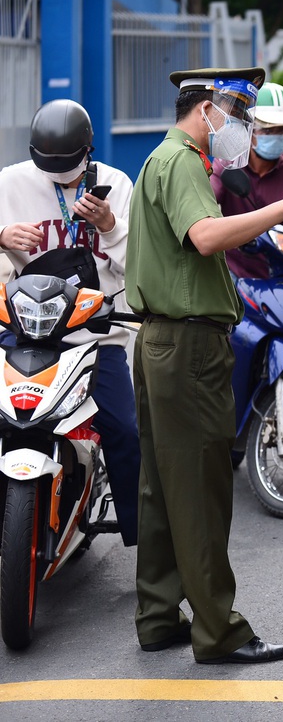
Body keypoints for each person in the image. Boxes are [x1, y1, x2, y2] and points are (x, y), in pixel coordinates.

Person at [126, 66, 283, 663]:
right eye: (238, 117)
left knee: (163, 489)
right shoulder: (184, 163)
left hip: (164, 343)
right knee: (200, 490)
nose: (243, 130)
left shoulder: (164, 161)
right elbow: (205, 236)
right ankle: (218, 631)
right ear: (207, 112)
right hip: (188, 345)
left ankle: (157, 614)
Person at [0, 99, 140, 547]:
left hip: (95, 334)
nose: (60, 173)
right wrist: (1, 237)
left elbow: (136, 264)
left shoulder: (116, 185)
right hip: (24, 331)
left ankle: (142, 541)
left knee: (124, 429)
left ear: (89, 150)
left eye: (71, 163)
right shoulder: (10, 182)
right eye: (49, 165)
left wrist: (110, 225)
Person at [212, 82, 283, 279]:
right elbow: (204, 198)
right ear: (249, 130)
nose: (276, 136)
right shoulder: (227, 164)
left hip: (282, 276)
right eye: (268, 131)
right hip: (233, 274)